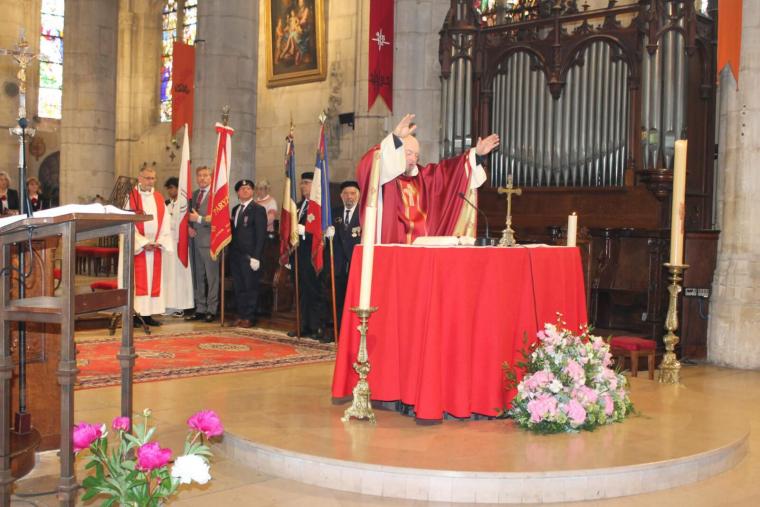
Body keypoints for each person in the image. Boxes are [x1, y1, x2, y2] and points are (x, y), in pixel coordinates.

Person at [356, 114, 500, 244]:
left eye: (416, 155)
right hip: (392, 247)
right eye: (409, 153)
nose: (413, 159)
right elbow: (371, 163)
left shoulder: (422, 178)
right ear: (396, 152)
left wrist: (476, 156)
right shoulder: (385, 177)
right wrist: (395, 139)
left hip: (421, 249)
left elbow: (449, 175)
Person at [122, 166, 174, 326]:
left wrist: (159, 242)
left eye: (152, 178)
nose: (150, 182)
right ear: (139, 178)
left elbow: (165, 223)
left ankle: (148, 315)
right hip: (138, 248)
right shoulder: (130, 197)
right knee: (137, 282)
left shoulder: (158, 198)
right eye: (147, 178)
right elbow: (126, 223)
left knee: (153, 282)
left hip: (154, 247)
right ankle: (134, 315)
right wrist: (143, 243)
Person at [288, 171, 327, 340]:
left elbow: (322, 232)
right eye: (302, 183)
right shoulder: (297, 206)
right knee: (301, 291)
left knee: (315, 291)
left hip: (313, 255)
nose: (303, 186)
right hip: (298, 254)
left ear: (315, 185)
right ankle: (303, 325)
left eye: (306, 183)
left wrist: (306, 231)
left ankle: (317, 326)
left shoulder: (320, 207)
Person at [324, 181, 361, 333]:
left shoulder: (364, 214)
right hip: (338, 265)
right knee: (337, 299)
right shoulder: (334, 213)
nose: (349, 197)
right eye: (346, 193)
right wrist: (326, 235)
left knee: (354, 300)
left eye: (353, 193)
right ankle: (337, 331)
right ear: (341, 196)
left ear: (358, 195)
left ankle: (351, 332)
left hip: (355, 265)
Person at [229, 179, 267, 328]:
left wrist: (256, 257)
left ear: (252, 191)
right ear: (237, 192)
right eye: (242, 189)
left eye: (248, 188)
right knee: (239, 286)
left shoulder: (258, 209)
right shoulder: (235, 209)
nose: (245, 190)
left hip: (250, 256)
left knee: (250, 287)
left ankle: (250, 317)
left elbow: (261, 235)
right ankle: (241, 314)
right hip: (236, 255)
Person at [186, 166, 220, 323]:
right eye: (199, 175)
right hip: (194, 241)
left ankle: (212, 309)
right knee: (197, 276)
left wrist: (199, 219)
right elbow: (187, 216)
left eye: (206, 175)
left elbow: (219, 219)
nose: (202, 178)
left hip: (210, 242)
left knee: (212, 277)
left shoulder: (216, 196)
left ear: (211, 178)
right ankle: (200, 308)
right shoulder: (193, 195)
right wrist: (189, 227)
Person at [161, 176, 194, 317]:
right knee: (168, 275)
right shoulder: (166, 204)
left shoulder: (184, 204)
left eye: (172, 188)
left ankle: (181, 306)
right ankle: (169, 304)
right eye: (168, 188)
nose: (170, 191)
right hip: (168, 244)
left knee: (179, 275)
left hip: (180, 243)